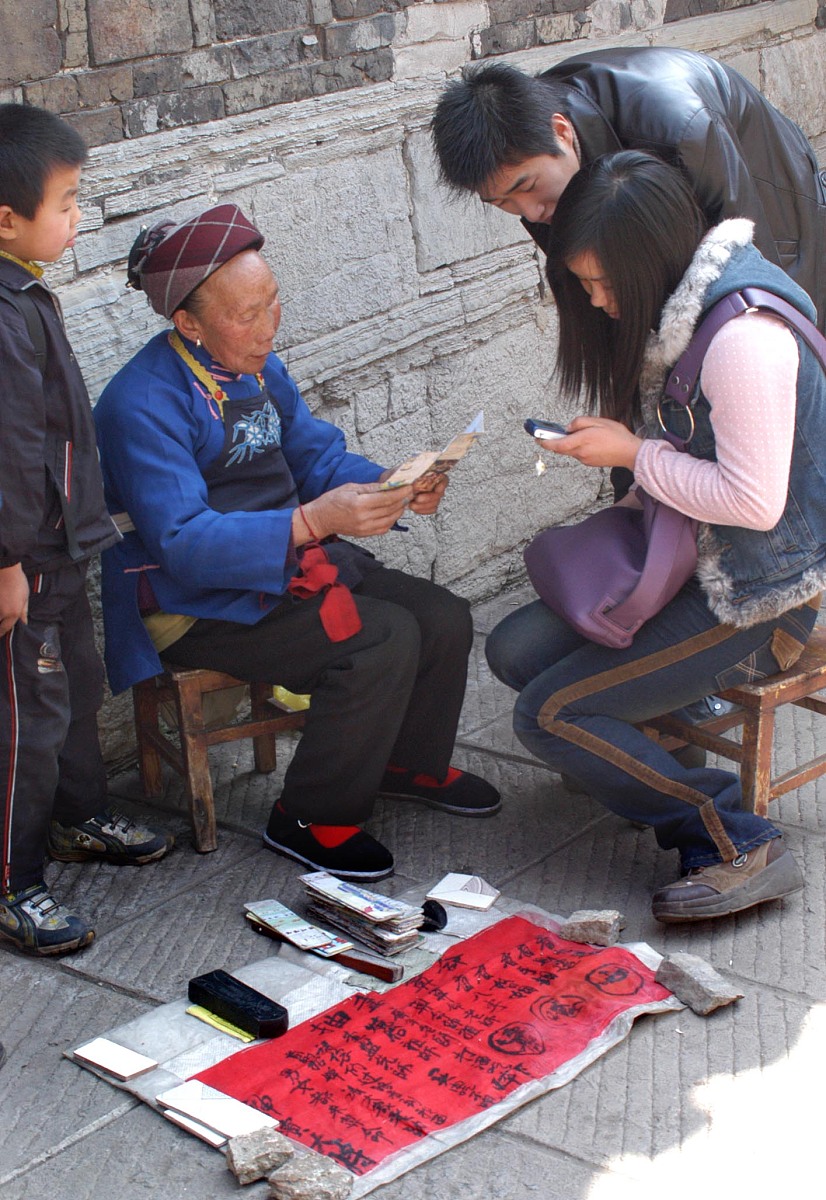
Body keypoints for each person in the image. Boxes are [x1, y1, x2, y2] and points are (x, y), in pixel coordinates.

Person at [94, 204, 500, 884]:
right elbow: (182, 542)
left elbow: (313, 455)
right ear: (187, 324)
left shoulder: (257, 369)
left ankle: (403, 765)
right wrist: (313, 522)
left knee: (442, 616)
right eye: (244, 315)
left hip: (285, 567)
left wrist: (389, 484)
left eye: (273, 304)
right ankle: (311, 817)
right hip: (195, 601)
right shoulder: (139, 403)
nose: (266, 328)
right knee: (379, 638)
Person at [485, 150, 826, 923]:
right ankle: (647, 753)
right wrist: (629, 450)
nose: (599, 302)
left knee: (550, 714)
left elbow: (754, 503)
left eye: (603, 283)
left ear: (651, 261)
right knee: (513, 650)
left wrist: (634, 453)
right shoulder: (692, 313)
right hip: (696, 566)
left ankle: (736, 840)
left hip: (761, 596)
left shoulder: (742, 338)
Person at [0, 104, 172, 958]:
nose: (76, 218)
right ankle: (12, 880)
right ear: (6, 216)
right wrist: (5, 561)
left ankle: (76, 818)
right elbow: (6, 448)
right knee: (24, 718)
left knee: (72, 690)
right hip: (20, 558)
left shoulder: (25, 289)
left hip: (63, 544)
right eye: (66, 202)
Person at [431, 47, 826, 331]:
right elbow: (594, 292)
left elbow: (747, 267)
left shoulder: (679, 129)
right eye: (502, 203)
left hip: (772, 200)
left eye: (527, 187)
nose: (531, 213)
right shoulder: (540, 186)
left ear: (562, 132)